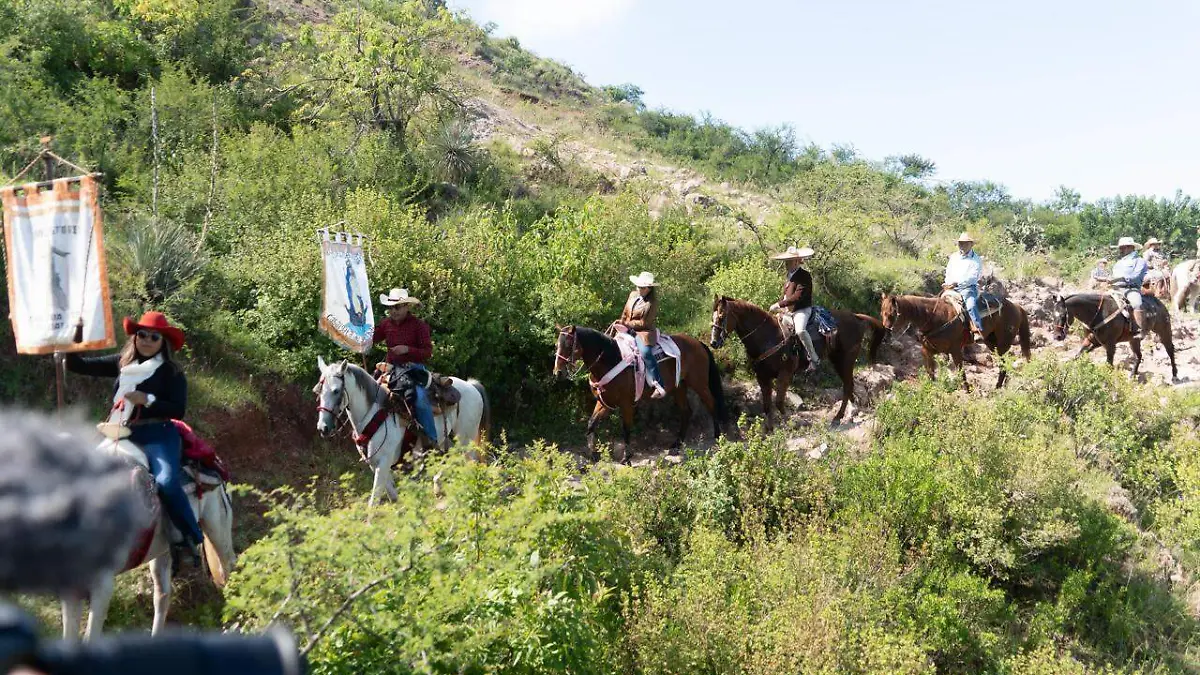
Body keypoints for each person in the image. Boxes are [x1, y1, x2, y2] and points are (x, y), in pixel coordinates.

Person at [65, 311, 203, 568]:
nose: (148, 340)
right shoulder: (122, 363)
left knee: (167, 481)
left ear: (163, 342)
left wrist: (147, 400)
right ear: (135, 337)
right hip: (120, 430)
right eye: (143, 335)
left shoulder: (171, 372)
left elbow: (177, 409)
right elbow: (76, 365)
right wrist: (75, 337)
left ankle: (189, 540)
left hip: (158, 434)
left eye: (154, 336)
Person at [372, 288, 438, 446]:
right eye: (391, 308)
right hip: (390, 369)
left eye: (397, 307)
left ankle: (431, 440)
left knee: (421, 399)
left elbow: (427, 352)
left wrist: (407, 349)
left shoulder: (419, 326)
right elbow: (373, 338)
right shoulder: (385, 324)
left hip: (413, 369)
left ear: (407, 306)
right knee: (369, 392)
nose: (393, 311)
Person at [768, 246, 819, 372]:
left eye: (789, 261)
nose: (786, 264)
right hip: (789, 311)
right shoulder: (789, 276)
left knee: (800, 330)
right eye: (786, 261)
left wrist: (779, 305)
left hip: (802, 310)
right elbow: (786, 295)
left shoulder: (804, 276)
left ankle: (814, 358)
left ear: (797, 261)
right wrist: (782, 308)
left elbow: (798, 297)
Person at [617, 272, 666, 399]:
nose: (639, 289)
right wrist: (621, 322)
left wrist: (627, 324)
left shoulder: (652, 302)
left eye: (642, 287)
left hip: (644, 332)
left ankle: (659, 384)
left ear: (649, 289)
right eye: (638, 286)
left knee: (645, 353)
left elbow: (645, 322)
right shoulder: (633, 295)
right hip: (627, 328)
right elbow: (625, 312)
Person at [943, 232, 985, 342]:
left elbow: (973, 277)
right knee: (939, 303)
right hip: (951, 287)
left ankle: (976, 329)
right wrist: (948, 283)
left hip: (968, 288)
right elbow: (948, 272)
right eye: (960, 244)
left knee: (970, 305)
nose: (961, 246)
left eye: (964, 244)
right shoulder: (954, 257)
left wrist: (957, 283)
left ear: (971, 244)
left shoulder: (976, 260)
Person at [1111, 236, 1149, 336]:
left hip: (1131, 288)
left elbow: (1136, 277)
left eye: (1123, 247)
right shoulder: (1118, 263)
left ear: (1131, 248)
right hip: (1116, 289)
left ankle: (1139, 330)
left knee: (1136, 303)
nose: (1121, 250)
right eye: (1120, 248)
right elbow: (1113, 277)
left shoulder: (1139, 261)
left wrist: (1121, 278)